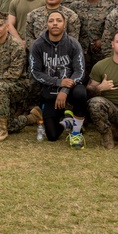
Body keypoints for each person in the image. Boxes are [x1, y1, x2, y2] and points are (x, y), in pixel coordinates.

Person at [0, 12, 40, 141]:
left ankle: (1, 129)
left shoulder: (16, 46)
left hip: (19, 85)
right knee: (11, 124)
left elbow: (14, 74)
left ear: (7, 26)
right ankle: (31, 118)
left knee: (0, 87)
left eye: (0, 25)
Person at [29, 10, 88, 143]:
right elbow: (35, 72)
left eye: (59, 21)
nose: (55, 24)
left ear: (64, 25)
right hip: (50, 91)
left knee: (80, 93)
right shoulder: (37, 45)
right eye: (51, 21)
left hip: (70, 89)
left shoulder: (73, 44)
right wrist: (58, 82)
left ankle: (76, 133)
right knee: (52, 136)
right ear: (47, 25)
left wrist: (65, 89)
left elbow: (80, 72)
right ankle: (67, 121)